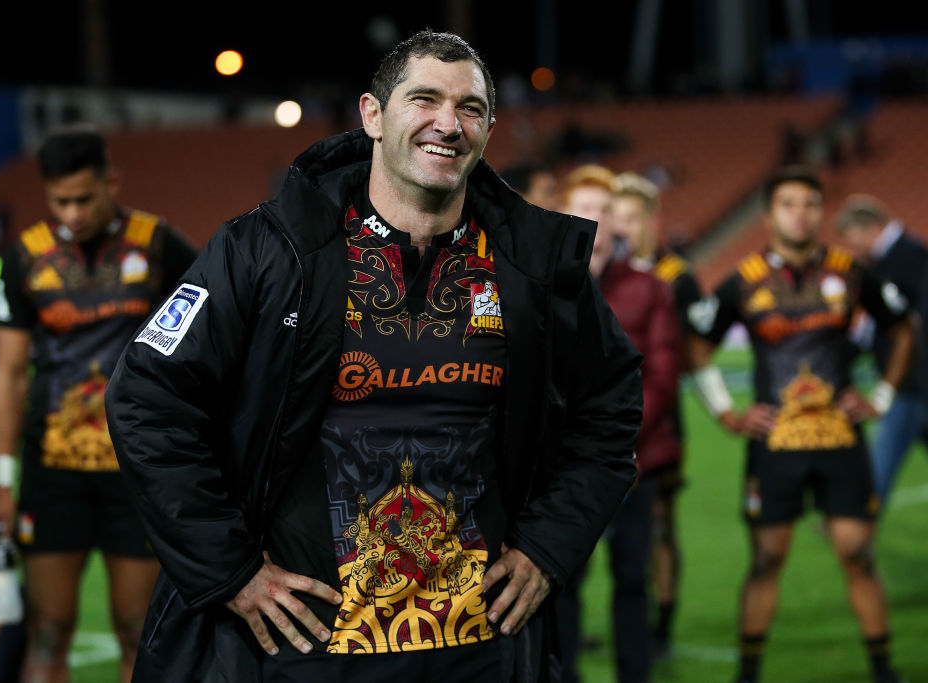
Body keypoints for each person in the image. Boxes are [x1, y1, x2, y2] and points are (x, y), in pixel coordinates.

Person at [104, 30, 643, 683]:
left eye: (470, 108)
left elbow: (610, 409)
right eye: (424, 99)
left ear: (490, 128)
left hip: (478, 650)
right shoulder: (268, 250)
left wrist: (548, 546)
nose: (448, 122)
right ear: (372, 114)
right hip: (305, 649)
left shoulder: (533, 266)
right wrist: (229, 568)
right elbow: (145, 397)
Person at [0, 123, 198, 683]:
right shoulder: (24, 257)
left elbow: (204, 351)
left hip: (136, 470)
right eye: (60, 201)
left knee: (137, 629)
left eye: (83, 198)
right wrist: (3, 480)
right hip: (52, 474)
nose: (72, 212)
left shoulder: (159, 246)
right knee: (47, 631)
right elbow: (7, 376)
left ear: (111, 182)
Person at [685, 166, 913, 683]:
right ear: (769, 216)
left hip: (840, 440)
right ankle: (749, 672)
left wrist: (880, 394)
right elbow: (696, 348)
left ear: (821, 213)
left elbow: (903, 330)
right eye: (789, 204)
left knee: (859, 555)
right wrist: (727, 412)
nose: (801, 214)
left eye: (811, 204)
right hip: (775, 446)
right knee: (767, 560)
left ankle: (883, 669)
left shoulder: (849, 272)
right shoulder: (742, 281)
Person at [563, 166, 681, 683]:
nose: (596, 217)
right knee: (559, 582)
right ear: (566, 216)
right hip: (562, 469)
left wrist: (615, 444)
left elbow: (661, 374)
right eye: (585, 207)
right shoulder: (544, 284)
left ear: (618, 220)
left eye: (605, 208)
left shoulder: (650, 288)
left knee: (632, 580)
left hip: (635, 463)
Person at [611, 171, 703, 658]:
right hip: (606, 419)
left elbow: (694, 354)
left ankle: (661, 623)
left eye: (628, 217)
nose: (620, 226)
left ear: (650, 221)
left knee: (661, 523)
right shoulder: (599, 270)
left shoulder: (677, 278)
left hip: (660, 420)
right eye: (615, 216)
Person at [836, 193, 928, 503]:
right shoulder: (897, 258)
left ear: (869, 229)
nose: (853, 249)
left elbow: (911, 325)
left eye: (853, 239)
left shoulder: (909, 257)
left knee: (881, 460)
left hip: (910, 382)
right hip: (912, 380)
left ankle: (858, 522)